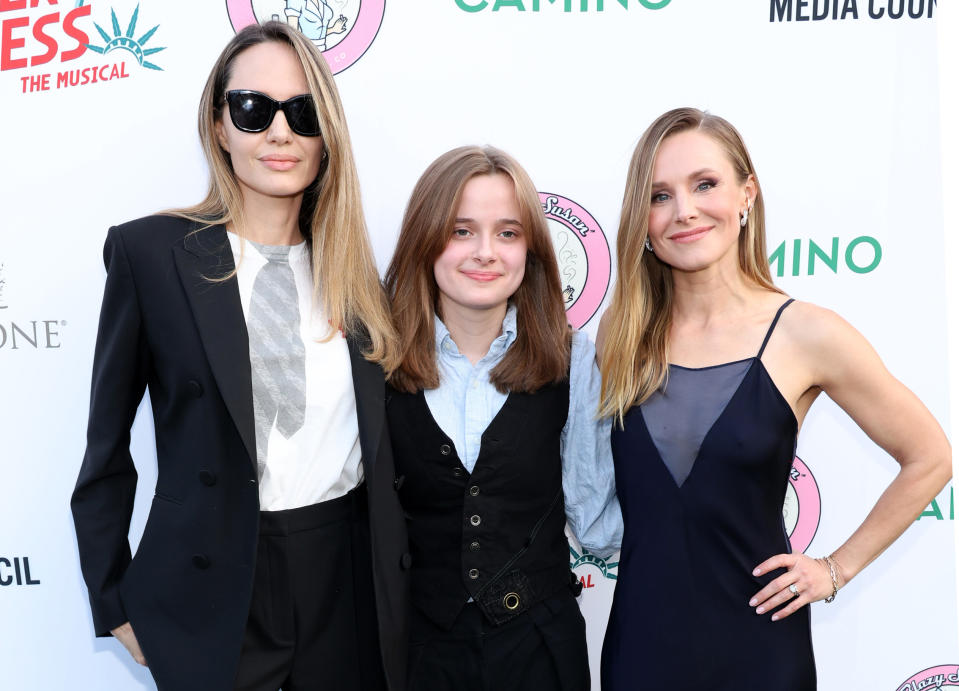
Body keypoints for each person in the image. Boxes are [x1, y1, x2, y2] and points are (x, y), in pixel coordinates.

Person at [70, 21, 408, 691]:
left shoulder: (356, 275)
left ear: (324, 137)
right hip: (211, 587)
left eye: (301, 113)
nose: (278, 133)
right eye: (254, 110)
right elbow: (105, 449)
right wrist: (113, 599)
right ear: (219, 125)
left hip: (344, 581)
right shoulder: (152, 257)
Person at [597, 107, 952, 689]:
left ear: (747, 195)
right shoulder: (621, 332)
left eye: (704, 184)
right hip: (641, 645)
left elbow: (931, 456)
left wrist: (835, 569)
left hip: (758, 647)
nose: (683, 210)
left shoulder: (807, 333)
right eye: (659, 195)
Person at [384, 145, 622, 691]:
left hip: (539, 650)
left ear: (531, 250)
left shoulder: (576, 359)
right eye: (461, 230)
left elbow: (596, 522)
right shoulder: (373, 361)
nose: (485, 252)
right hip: (413, 652)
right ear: (425, 239)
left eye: (508, 233)